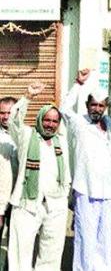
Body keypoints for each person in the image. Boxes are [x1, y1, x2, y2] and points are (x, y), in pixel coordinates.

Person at [60, 69, 111, 271]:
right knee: (84, 238)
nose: (97, 109)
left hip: (108, 192)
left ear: (105, 107)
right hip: (85, 189)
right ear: (87, 106)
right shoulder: (78, 123)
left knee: (104, 238)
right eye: (93, 105)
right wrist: (78, 84)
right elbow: (64, 108)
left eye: (101, 105)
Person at [7, 82, 71, 271]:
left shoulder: (61, 142)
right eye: (47, 120)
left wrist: (64, 196)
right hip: (27, 204)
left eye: (54, 121)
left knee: (51, 254)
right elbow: (13, 120)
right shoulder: (26, 136)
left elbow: (66, 172)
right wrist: (28, 96)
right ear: (40, 119)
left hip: (55, 205)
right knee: (20, 254)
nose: (50, 124)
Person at [0, 97, 18, 271]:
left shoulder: (26, 134)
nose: (6, 117)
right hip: (0, 198)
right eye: (2, 113)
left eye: (9, 112)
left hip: (18, 200)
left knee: (15, 243)